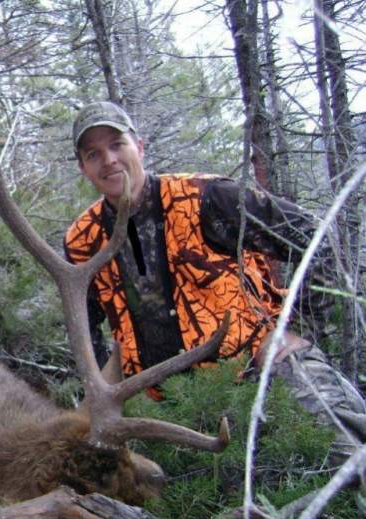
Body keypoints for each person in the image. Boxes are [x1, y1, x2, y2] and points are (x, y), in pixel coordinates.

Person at [63, 101, 365, 459]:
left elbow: (314, 238)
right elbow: (82, 323)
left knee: (345, 449)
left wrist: (299, 325)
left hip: (260, 369)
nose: (109, 160)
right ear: (84, 167)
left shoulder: (206, 198)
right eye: (93, 154)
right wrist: (102, 392)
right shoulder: (82, 241)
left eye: (117, 145)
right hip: (168, 407)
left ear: (139, 147)